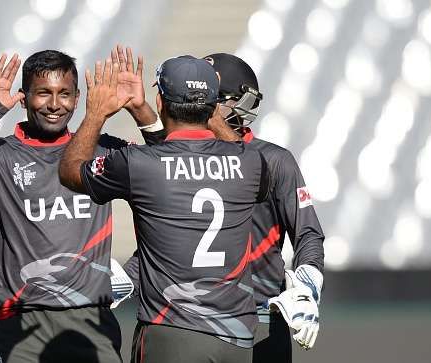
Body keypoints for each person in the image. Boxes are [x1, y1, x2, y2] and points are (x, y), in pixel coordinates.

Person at [0, 47, 157, 363]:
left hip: (91, 322)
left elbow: (171, 184)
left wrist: (142, 110)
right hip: (21, 325)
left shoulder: (103, 151)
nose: (53, 104)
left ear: (78, 99)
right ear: (24, 96)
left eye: (64, 94)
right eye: (43, 93)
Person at [59, 56, 271, 363]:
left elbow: (70, 172)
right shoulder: (250, 162)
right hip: (236, 338)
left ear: (160, 101)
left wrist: (95, 116)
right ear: (213, 108)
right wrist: (212, 117)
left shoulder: (139, 163)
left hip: (171, 330)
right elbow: (241, 159)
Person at [123, 53, 326, 361]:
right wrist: (140, 110)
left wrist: (308, 287)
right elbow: (164, 157)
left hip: (258, 317)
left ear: (233, 104)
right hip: (188, 315)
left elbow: (309, 234)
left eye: (207, 94)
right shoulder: (183, 155)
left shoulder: (274, 160)